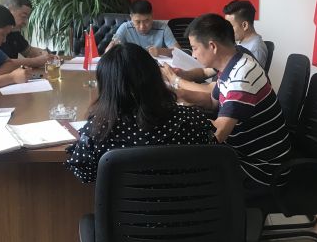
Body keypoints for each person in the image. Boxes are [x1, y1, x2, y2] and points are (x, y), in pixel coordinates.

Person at [172, 13, 291, 195]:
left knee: (187, 177)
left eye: (194, 48)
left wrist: (180, 126)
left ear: (212, 46)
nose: (193, 55)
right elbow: (213, 102)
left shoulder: (241, 78)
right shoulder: (235, 60)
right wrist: (178, 94)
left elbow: (217, 135)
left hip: (261, 170)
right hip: (244, 152)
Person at [65, 43, 214, 183]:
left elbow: (85, 175)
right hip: (187, 201)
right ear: (155, 77)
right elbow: (212, 160)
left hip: (123, 203)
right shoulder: (190, 120)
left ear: (106, 87)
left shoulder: (98, 131)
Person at [104, 0, 180, 57]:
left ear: (152, 16)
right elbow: (109, 51)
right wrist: (110, 48)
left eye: (147, 21)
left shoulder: (163, 28)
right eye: (137, 22)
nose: (142, 26)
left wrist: (160, 51)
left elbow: (179, 52)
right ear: (131, 17)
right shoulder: (125, 27)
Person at [1, 0, 54, 67]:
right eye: (23, 16)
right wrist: (36, 61)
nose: (26, 22)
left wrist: (45, 54)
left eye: (27, 18)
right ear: (8, 11)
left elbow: (29, 51)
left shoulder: (14, 32)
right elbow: (3, 65)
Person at [222, 0, 268, 69]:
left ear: (244, 25)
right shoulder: (240, 42)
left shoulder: (256, 48)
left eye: (230, 26)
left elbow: (251, 74)